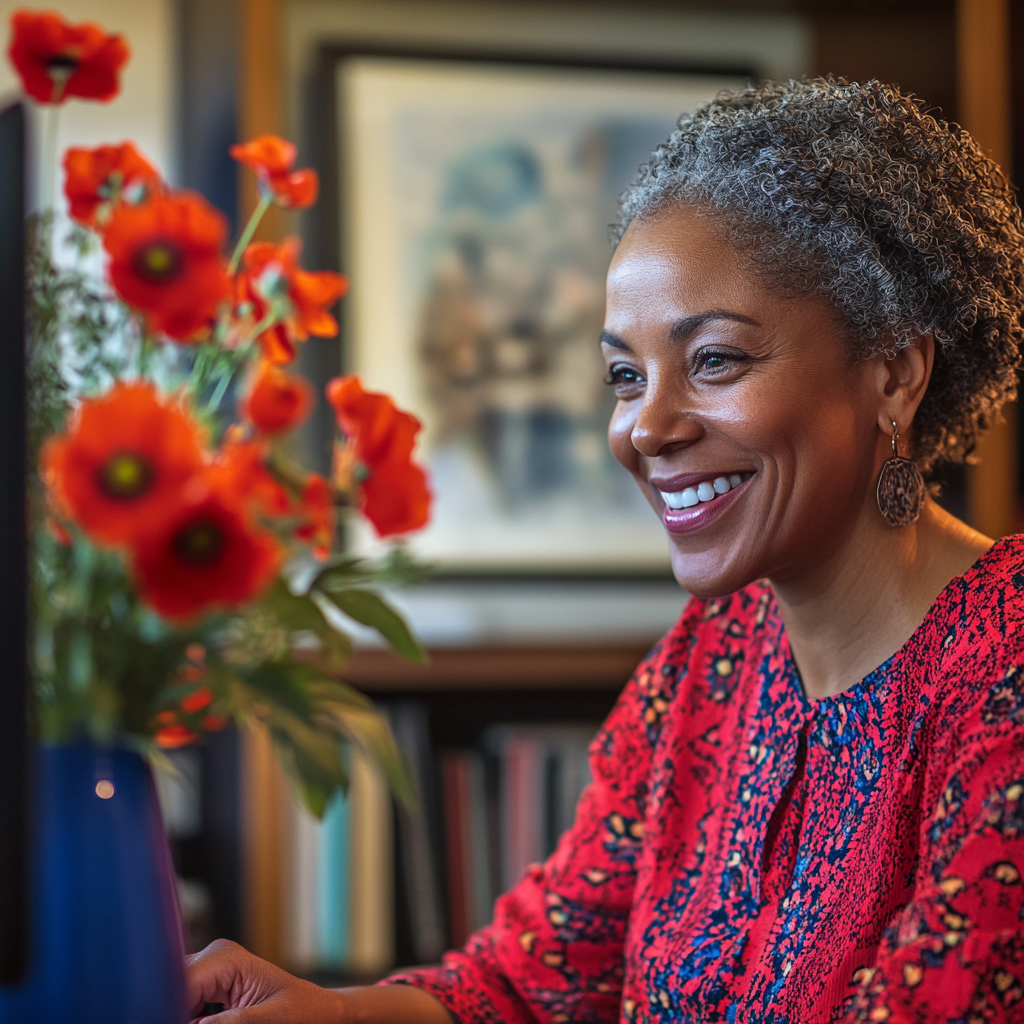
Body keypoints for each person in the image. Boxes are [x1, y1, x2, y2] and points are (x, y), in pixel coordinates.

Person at [186, 78, 1024, 1023]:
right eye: (626, 376)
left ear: (895, 376)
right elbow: (522, 983)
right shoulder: (708, 664)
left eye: (714, 360)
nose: (645, 428)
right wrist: (332, 1012)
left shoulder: (1006, 669)